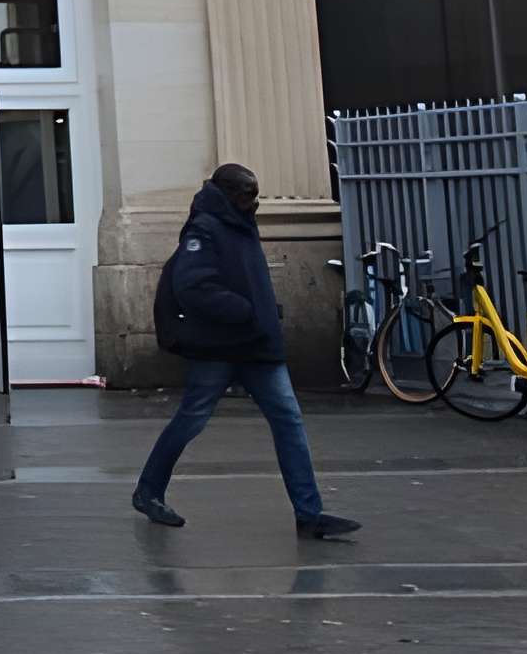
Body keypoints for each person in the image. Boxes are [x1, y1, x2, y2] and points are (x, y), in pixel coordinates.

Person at [134, 163, 359, 539]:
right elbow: (192, 285)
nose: (254, 201)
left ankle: (309, 513)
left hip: (255, 345)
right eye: (247, 194)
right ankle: (148, 491)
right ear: (227, 193)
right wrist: (243, 310)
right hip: (220, 347)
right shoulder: (205, 228)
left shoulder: (237, 220)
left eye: (255, 193)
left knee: (288, 419)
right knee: (192, 419)